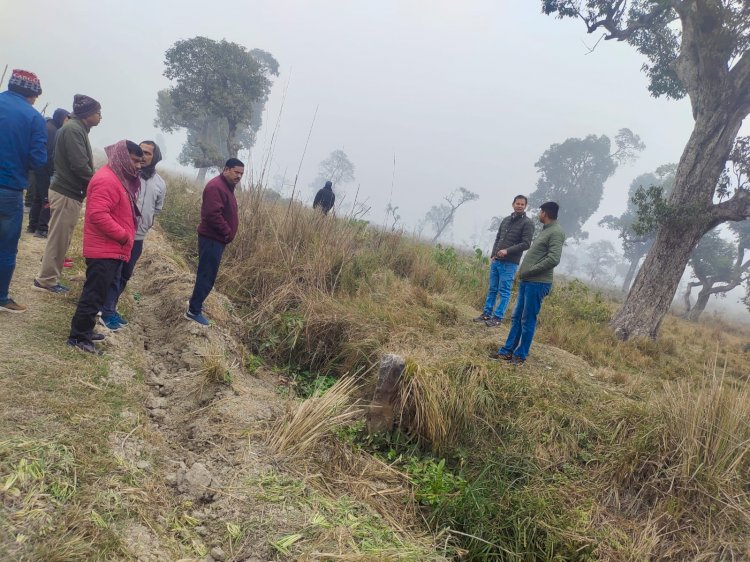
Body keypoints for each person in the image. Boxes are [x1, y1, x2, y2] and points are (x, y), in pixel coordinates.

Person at [67, 141, 143, 354]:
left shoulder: (116, 177)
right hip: (104, 249)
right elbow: (98, 215)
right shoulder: (107, 180)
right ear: (122, 157)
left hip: (110, 248)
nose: (137, 166)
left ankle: (85, 330)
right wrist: (124, 235)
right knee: (93, 294)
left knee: (98, 294)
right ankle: (78, 338)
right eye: (135, 160)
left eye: (140, 162)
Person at [34, 94, 101, 294]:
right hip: (66, 191)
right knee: (58, 238)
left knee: (61, 237)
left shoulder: (77, 129)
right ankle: (46, 281)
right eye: (98, 112)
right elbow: (79, 165)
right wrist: (98, 184)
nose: (100, 116)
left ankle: (50, 276)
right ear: (87, 113)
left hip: (69, 192)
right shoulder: (73, 130)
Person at [100, 141, 166, 330]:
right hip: (119, 233)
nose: (142, 156)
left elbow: (158, 208)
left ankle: (109, 306)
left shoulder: (160, 183)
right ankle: (106, 311)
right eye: (140, 152)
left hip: (138, 237)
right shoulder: (125, 175)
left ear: (155, 158)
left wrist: (146, 223)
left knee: (126, 274)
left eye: (147, 153)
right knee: (114, 273)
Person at [493, 201, 565, 365]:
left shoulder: (556, 232)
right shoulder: (546, 230)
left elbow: (554, 259)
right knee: (517, 316)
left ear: (545, 213)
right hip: (528, 281)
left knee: (527, 319)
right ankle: (507, 351)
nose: (539, 214)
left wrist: (529, 271)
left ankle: (520, 355)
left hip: (538, 283)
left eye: (540, 212)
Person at [0, 69, 47, 313]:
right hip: (8, 190)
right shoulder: (33, 118)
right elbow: (38, 161)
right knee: (6, 247)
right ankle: (1, 297)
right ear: (31, 94)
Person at [185, 158, 243, 326]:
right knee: (207, 275)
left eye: (241, 173)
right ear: (226, 169)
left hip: (216, 239)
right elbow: (212, 215)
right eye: (236, 172)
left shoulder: (226, 186)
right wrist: (227, 233)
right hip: (212, 239)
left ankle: (196, 304)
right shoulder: (216, 187)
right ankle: (193, 311)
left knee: (206, 273)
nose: (239, 176)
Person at [474, 195, 534, 327]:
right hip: (497, 260)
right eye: (517, 203)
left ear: (525, 206)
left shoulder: (527, 223)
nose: (519, 206)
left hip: (510, 262)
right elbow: (498, 237)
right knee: (492, 288)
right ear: (513, 204)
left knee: (504, 291)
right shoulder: (506, 220)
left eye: (522, 204)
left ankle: (497, 318)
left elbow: (526, 243)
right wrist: (493, 254)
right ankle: (486, 314)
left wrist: (507, 251)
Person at [28, 108, 70, 237]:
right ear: (62, 118)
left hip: (39, 168)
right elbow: (51, 153)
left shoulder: (48, 126)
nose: (68, 121)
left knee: (38, 198)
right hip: (45, 169)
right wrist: (53, 171)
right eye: (67, 119)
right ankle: (42, 229)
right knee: (47, 199)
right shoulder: (53, 131)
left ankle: (32, 226)